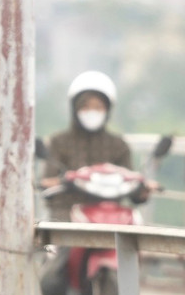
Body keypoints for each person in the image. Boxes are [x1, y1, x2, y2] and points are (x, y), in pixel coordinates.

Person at [39, 70, 135, 222]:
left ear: (107, 110)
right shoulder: (59, 142)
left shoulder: (119, 145)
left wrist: (142, 190)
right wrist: (64, 181)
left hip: (109, 217)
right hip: (67, 216)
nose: (92, 112)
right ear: (75, 108)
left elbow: (131, 184)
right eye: (86, 106)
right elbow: (46, 183)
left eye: (98, 107)